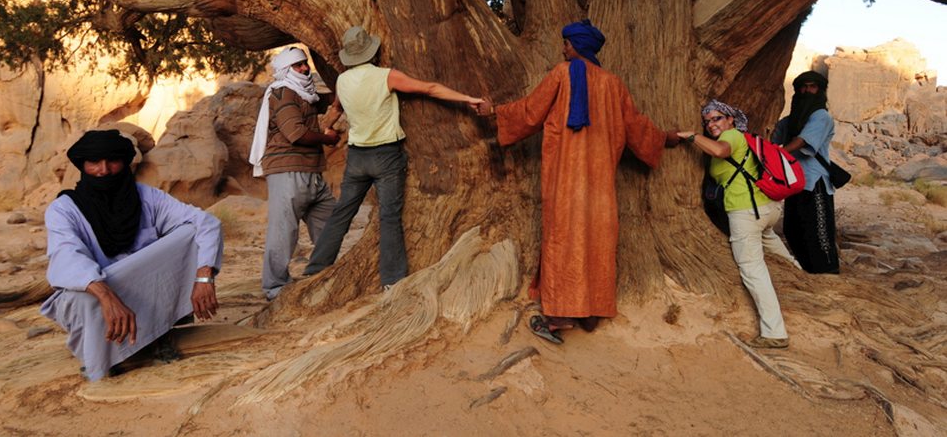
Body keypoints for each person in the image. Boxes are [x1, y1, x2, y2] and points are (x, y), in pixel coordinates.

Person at [476, 19, 680, 344]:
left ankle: (558, 318)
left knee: (563, 239)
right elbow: (636, 126)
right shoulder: (613, 84)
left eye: (567, 44)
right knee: (597, 240)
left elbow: (530, 112)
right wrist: (664, 138)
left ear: (577, 46)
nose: (563, 48)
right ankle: (591, 312)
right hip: (600, 185)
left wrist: (493, 112)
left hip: (565, 180)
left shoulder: (561, 74)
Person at [303, 26, 484, 288]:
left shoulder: (341, 81)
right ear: (372, 51)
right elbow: (430, 88)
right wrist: (468, 98)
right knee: (389, 216)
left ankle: (315, 268)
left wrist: (324, 128)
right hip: (386, 155)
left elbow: (335, 110)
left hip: (357, 157)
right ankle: (392, 280)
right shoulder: (386, 76)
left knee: (342, 212)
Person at [41, 129, 223, 381]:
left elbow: (205, 223)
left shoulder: (147, 197)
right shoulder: (63, 209)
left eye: (112, 161)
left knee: (190, 232)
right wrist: (106, 296)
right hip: (96, 290)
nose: (104, 170)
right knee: (84, 299)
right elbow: (68, 256)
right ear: (83, 166)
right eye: (94, 162)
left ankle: (159, 334)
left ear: (124, 163)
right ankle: (102, 355)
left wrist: (204, 276)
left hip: (142, 286)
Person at [678, 100, 800, 349]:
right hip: (766, 209)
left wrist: (691, 136)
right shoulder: (738, 136)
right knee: (774, 246)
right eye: (708, 121)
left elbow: (720, 151)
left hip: (746, 212)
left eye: (717, 118)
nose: (712, 124)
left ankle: (774, 332)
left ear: (731, 119)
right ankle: (803, 280)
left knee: (752, 269)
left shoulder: (733, 136)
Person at [249, 46, 341, 300]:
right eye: (298, 66)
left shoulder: (306, 94)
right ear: (286, 70)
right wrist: (328, 138)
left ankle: (322, 274)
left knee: (331, 224)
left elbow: (331, 100)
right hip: (288, 171)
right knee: (283, 232)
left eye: (305, 63)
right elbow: (296, 133)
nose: (304, 69)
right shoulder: (283, 93)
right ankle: (274, 288)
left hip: (312, 172)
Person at [772, 71, 840, 274]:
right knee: (793, 229)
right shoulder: (791, 120)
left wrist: (777, 154)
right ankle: (806, 270)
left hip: (814, 181)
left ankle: (827, 272)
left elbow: (802, 141)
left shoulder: (821, 116)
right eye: (803, 87)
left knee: (818, 230)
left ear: (819, 90)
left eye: (812, 86)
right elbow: (773, 136)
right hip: (793, 181)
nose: (807, 90)